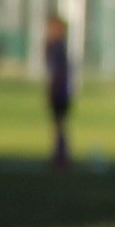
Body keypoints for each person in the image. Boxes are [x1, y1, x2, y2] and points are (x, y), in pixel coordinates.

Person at [44, 10, 74, 164]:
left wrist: (53, 89)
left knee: (59, 123)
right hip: (60, 90)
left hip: (61, 91)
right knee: (57, 124)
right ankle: (60, 153)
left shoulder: (58, 47)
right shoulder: (54, 46)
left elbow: (59, 71)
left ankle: (61, 155)